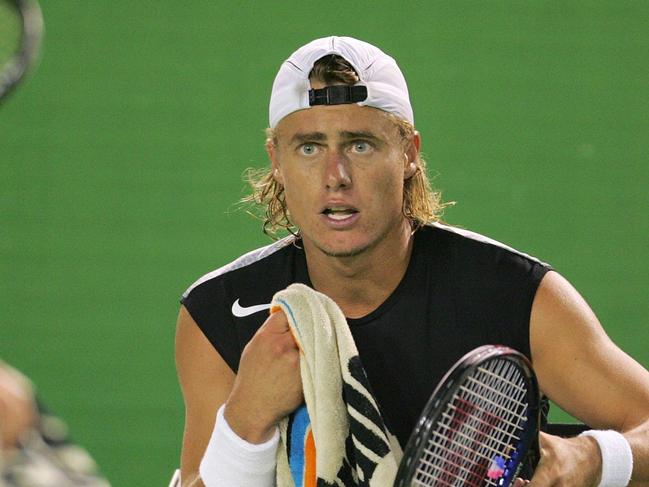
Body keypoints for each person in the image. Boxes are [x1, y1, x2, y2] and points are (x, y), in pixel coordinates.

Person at [175, 36, 649, 486]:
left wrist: (590, 459)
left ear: (409, 154)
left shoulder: (516, 296)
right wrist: (246, 419)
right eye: (310, 147)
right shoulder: (219, 315)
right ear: (276, 160)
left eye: (361, 145)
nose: (336, 176)